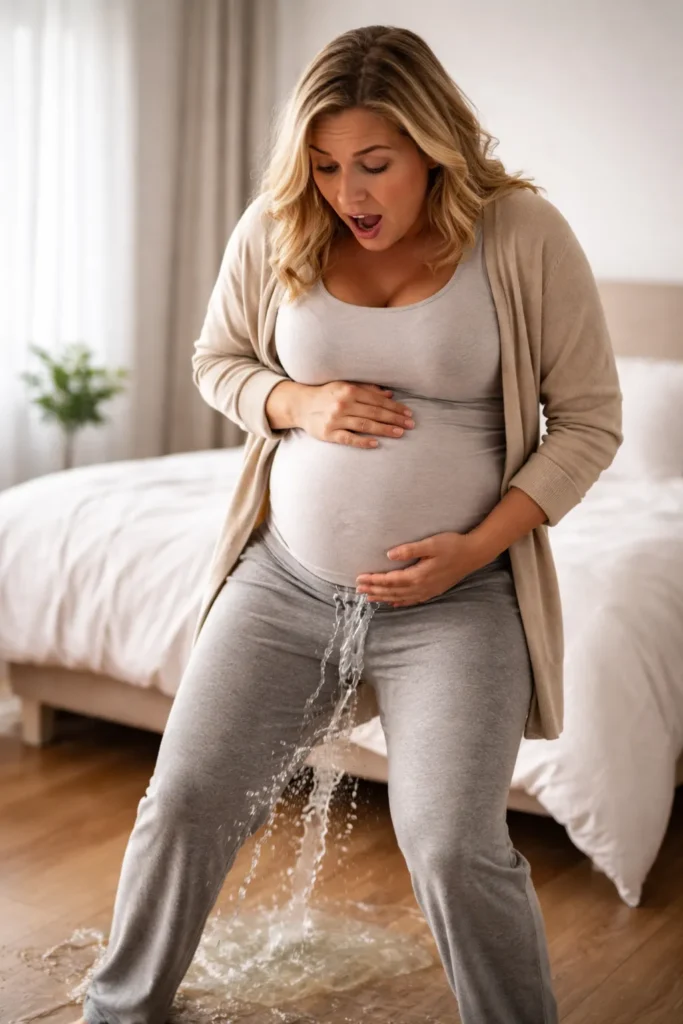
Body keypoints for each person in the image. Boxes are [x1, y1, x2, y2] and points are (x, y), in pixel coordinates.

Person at [76, 24, 622, 1024]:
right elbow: (218, 359)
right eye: (326, 166)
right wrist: (296, 403)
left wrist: (477, 544)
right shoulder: (280, 224)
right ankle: (119, 1012)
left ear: (432, 146)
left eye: (374, 164)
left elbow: (587, 420)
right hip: (285, 582)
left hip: (457, 601)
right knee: (185, 802)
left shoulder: (520, 235)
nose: (348, 192)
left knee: (454, 843)